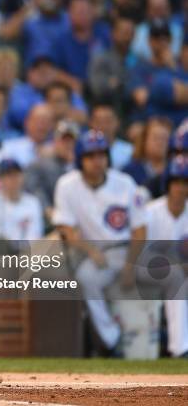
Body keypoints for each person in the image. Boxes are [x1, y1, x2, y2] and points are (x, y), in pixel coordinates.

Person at [53, 130, 147, 355]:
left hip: (127, 249)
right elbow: (65, 228)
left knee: (174, 275)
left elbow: (140, 230)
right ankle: (111, 340)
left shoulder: (125, 183)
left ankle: (176, 343)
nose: (97, 161)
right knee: (86, 277)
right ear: (80, 159)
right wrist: (90, 249)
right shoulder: (67, 185)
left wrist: (130, 266)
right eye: (91, 156)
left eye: (101, 155)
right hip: (94, 253)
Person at [145, 155, 188, 358]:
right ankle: (179, 350)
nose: (180, 188)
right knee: (176, 276)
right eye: (176, 182)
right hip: (148, 270)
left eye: (185, 183)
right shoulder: (151, 211)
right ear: (168, 184)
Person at [24, 119, 79, 222]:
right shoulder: (40, 164)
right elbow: (35, 190)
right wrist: (48, 210)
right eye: (64, 140)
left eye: (71, 141)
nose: (68, 145)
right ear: (55, 141)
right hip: (47, 220)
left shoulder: (80, 166)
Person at [0, 159, 44, 240]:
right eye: (9, 175)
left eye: (16, 174)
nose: (14, 179)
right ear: (0, 179)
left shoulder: (33, 202)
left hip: (30, 250)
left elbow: (36, 235)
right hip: (1, 251)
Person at [122, 116, 172, 186]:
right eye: (156, 138)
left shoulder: (174, 170)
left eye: (164, 138)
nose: (160, 143)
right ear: (144, 140)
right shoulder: (129, 171)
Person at [2, 104, 55, 168]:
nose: (41, 126)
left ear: (52, 125)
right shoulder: (10, 147)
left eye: (46, 122)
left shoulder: (56, 149)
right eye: (38, 121)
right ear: (26, 122)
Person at [89, 103, 134, 170]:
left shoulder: (130, 151)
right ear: (91, 123)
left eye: (108, 121)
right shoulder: (84, 151)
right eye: (99, 122)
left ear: (118, 123)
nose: (103, 126)